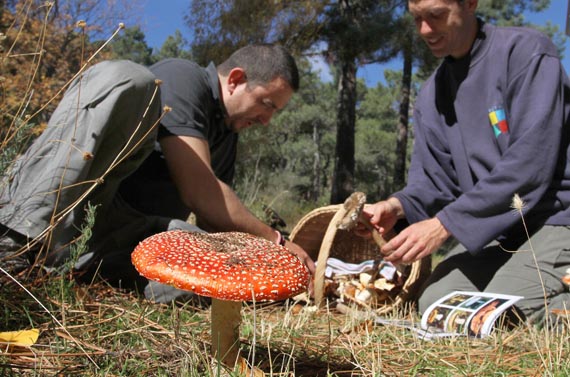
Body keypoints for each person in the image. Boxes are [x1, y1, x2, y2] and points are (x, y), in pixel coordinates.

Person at [0, 44, 315, 302]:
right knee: (130, 79)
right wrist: (277, 242)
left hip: (125, 238)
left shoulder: (227, 140)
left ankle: (79, 273)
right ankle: (14, 244)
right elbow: (200, 192)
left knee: (220, 279)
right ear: (234, 79)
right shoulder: (184, 78)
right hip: (74, 211)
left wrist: (272, 269)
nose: (267, 120)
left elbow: (217, 225)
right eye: (267, 104)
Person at [360, 0, 570, 325]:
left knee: (496, 317)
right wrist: (395, 206)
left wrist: (445, 225)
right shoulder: (432, 95)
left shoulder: (526, 52)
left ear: (470, 4)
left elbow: (530, 164)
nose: (425, 30)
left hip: (554, 219)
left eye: (436, 15)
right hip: (499, 232)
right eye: (417, 19)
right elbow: (433, 183)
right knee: (435, 305)